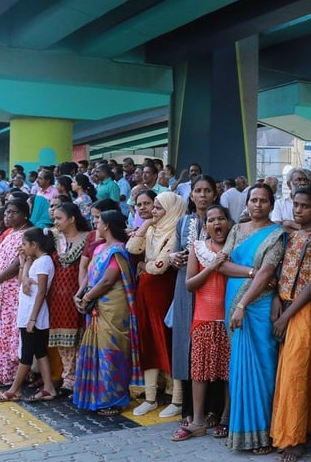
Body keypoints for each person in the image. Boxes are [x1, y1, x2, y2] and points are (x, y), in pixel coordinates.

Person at [218, 184, 286, 453]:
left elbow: (267, 272)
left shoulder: (277, 234)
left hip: (255, 306)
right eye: (253, 200)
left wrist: (243, 305)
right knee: (239, 368)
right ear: (247, 203)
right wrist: (249, 272)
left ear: (271, 204)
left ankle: (263, 434)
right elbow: (222, 264)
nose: (257, 205)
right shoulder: (237, 229)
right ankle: (242, 431)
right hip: (234, 299)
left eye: (263, 201)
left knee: (262, 367)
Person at [271, 187, 311, 462]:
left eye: (305, 206)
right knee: (286, 372)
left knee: (297, 372)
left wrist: (286, 314)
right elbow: (280, 272)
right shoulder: (291, 235)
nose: (298, 210)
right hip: (284, 304)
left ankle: (294, 438)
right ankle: (285, 432)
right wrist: (276, 302)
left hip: (302, 310)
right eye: (295, 205)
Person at [73, 210, 141, 416]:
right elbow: (91, 274)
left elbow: (108, 280)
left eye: (98, 221)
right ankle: (95, 395)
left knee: (111, 351)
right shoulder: (99, 248)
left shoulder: (118, 250)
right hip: (96, 303)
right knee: (95, 348)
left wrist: (86, 298)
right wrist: (79, 293)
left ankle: (114, 399)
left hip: (112, 307)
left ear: (107, 226)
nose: (95, 224)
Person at [175, 203, 232, 442]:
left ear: (229, 222)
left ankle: (226, 419)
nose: (216, 223)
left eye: (221, 219)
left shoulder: (235, 248)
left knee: (229, 373)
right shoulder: (198, 248)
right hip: (204, 319)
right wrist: (213, 266)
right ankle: (198, 421)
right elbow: (190, 284)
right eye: (211, 220)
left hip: (229, 319)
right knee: (200, 372)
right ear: (205, 225)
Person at [127, 192, 185, 417]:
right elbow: (132, 248)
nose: (153, 211)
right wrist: (146, 225)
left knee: (168, 342)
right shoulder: (153, 228)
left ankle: (177, 400)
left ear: (171, 210)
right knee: (148, 341)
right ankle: (150, 398)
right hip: (146, 293)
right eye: (155, 208)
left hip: (164, 294)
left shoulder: (176, 231)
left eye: (158, 208)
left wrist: (146, 265)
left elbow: (160, 266)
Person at [170, 176, 220, 433]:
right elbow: (173, 250)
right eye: (198, 191)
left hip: (212, 288)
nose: (202, 195)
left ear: (214, 194)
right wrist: (173, 256)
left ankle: (213, 409)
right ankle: (189, 409)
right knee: (187, 345)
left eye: (207, 191)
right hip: (186, 286)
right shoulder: (183, 222)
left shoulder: (221, 220)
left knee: (212, 344)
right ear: (191, 196)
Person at [0, 227, 59, 403]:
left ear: (34, 244)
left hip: (33, 314)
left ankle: (14, 390)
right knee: (39, 351)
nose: (21, 247)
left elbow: (41, 291)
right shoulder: (36, 261)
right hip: (27, 313)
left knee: (27, 354)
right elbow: (22, 281)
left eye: (24, 244)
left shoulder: (44, 262)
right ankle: (48, 387)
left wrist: (33, 319)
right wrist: (25, 260)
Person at [0, 198, 30, 387]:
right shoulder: (8, 233)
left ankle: (13, 374)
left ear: (25, 215)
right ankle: (0, 373)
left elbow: (18, 262)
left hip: (12, 289)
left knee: (12, 332)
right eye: (7, 212)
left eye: (13, 212)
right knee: (1, 330)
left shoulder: (26, 234)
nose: (8, 216)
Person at [48, 203, 93, 394]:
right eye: (54, 218)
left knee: (79, 337)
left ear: (72, 219)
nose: (55, 222)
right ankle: (68, 378)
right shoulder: (53, 237)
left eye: (59, 218)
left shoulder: (89, 238)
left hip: (78, 293)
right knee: (61, 339)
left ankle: (79, 378)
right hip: (56, 296)